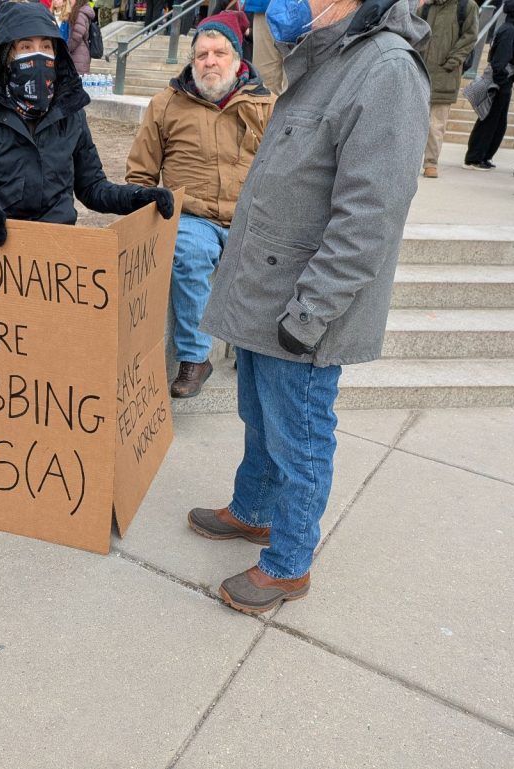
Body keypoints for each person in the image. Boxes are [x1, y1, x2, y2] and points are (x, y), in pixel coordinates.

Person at [194, 0, 429, 614]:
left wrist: (309, 316)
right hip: (265, 295)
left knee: (298, 436)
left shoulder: (387, 71)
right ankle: (255, 511)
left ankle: (289, 562)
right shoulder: (328, 60)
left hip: (301, 309)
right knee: (260, 417)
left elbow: (369, 218)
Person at [0, 2, 174, 247]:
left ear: (56, 54)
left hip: (58, 248)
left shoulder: (71, 113)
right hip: (0, 246)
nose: (38, 54)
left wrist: (137, 197)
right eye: (26, 46)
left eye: (46, 46)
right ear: (7, 54)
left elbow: (92, 187)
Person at [126, 11, 274, 398]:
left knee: (270, 260)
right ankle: (195, 357)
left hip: (250, 214)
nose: (210, 61)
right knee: (188, 253)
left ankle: (253, 350)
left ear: (237, 59)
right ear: (192, 62)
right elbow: (140, 174)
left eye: (219, 53)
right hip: (194, 215)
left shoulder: (267, 105)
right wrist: (144, 214)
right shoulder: (166, 104)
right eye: (202, 54)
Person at [417, 0, 479, 178]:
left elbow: (470, 37)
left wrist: (452, 61)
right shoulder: (426, 6)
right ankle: (410, 160)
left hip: (446, 73)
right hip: (421, 70)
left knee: (436, 124)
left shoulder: (466, 6)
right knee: (413, 120)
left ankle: (430, 162)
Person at [465, 0, 514, 170]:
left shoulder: (511, 30)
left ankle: (482, 156)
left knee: (496, 122)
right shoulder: (508, 31)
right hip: (499, 83)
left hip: (503, 81)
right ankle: (475, 157)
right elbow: (499, 62)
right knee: (490, 121)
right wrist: (502, 82)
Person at [66, 0, 95, 73]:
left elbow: (76, 36)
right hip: (79, 54)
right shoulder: (79, 12)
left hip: (78, 56)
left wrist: (66, 49)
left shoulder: (80, 14)